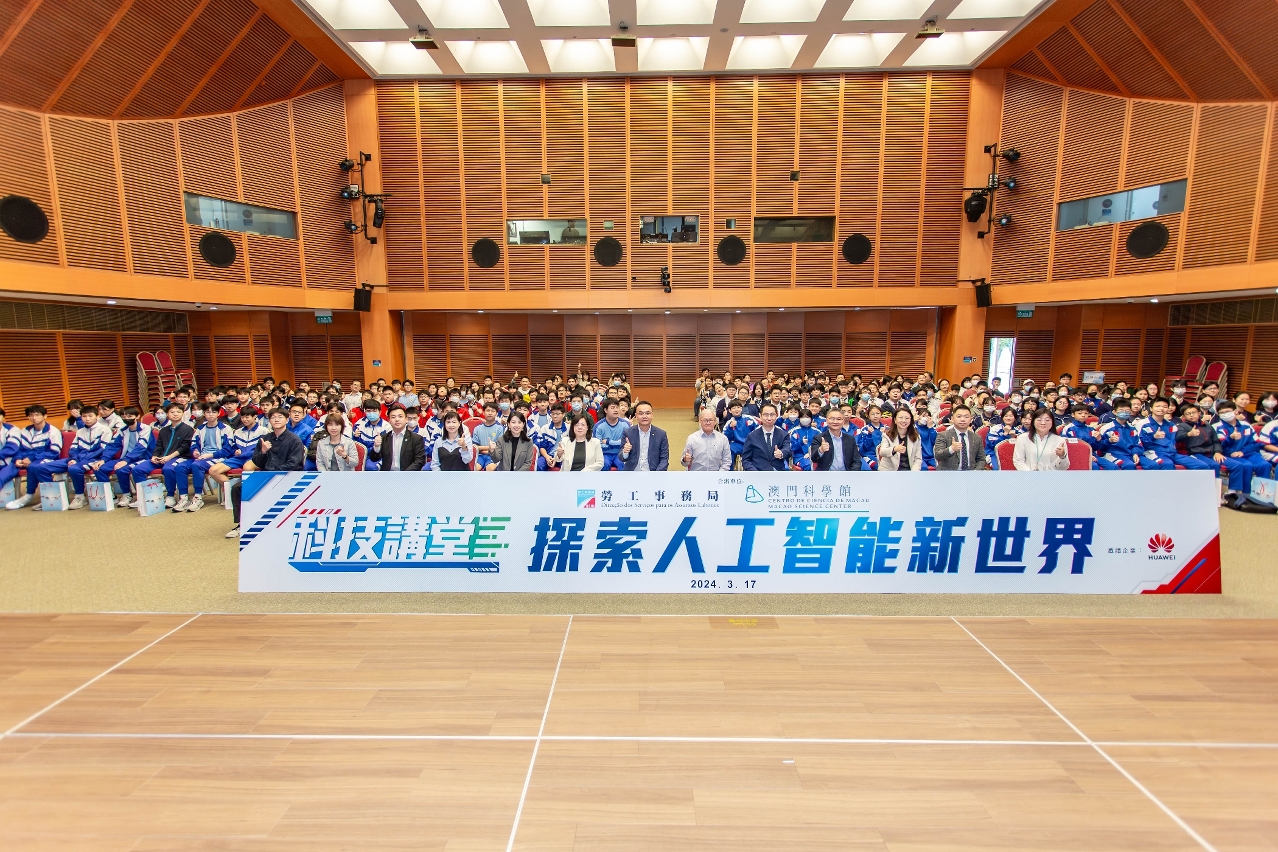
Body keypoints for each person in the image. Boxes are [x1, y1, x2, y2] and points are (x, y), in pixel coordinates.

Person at [226, 407, 306, 539]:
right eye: (273, 417)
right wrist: (263, 452)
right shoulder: (265, 439)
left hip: (287, 476)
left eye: (280, 417)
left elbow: (294, 464)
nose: (276, 420)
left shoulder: (294, 440)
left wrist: (273, 474)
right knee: (238, 488)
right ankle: (242, 524)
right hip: (266, 475)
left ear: (287, 420)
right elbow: (257, 462)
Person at [31, 403, 112, 510]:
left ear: (97, 416)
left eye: (90, 416)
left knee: (74, 468)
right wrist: (74, 458)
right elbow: (73, 449)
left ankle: (80, 497)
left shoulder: (105, 430)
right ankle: (51, 498)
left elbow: (101, 450)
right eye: (84, 416)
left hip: (94, 459)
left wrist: (78, 460)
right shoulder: (80, 431)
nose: (87, 419)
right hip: (77, 459)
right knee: (41, 468)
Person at [1213, 400, 1272, 497]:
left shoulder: (1246, 425)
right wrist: (1230, 438)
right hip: (1229, 455)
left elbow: (1256, 442)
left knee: (1264, 465)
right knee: (1246, 466)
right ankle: (1245, 494)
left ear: (1235, 411)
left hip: (1248, 453)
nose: (1225, 414)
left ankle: (1264, 495)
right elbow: (1220, 445)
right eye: (1222, 413)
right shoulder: (1217, 427)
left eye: (1227, 411)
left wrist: (1243, 451)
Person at [184, 405, 233, 512]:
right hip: (202, 457)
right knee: (181, 467)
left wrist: (210, 455)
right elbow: (194, 444)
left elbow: (228, 449)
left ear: (218, 413)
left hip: (219, 457)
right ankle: (183, 498)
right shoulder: (200, 428)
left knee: (196, 465)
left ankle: (198, 496)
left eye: (213, 412)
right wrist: (195, 451)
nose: (211, 415)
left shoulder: (225, 428)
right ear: (204, 413)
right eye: (208, 412)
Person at [371, 404, 426, 471]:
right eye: (393, 417)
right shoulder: (384, 438)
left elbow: (419, 461)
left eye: (400, 416)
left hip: (408, 475)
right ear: (389, 420)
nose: (397, 419)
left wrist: (404, 475)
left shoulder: (416, 438)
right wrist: (376, 447)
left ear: (406, 419)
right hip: (387, 475)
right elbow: (374, 459)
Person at [933, 404, 986, 471]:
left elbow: (981, 459)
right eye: (959, 416)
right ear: (952, 419)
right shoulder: (943, 435)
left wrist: (975, 472)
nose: (963, 419)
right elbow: (938, 456)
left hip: (971, 474)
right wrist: (951, 449)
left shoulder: (977, 438)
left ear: (971, 419)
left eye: (966, 417)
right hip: (948, 473)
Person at [740, 403, 792, 471]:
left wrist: (781, 453)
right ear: (760, 416)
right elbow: (746, 460)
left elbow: (788, 450)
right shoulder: (752, 436)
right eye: (766, 415)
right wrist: (754, 472)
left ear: (777, 415)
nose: (769, 418)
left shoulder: (783, 434)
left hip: (778, 472)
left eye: (772, 415)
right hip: (758, 472)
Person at [1174, 404, 1224, 473]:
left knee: (1232, 464)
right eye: (1188, 414)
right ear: (1184, 416)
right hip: (1193, 452)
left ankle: (1214, 480)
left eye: (1194, 412)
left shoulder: (1208, 426)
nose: (1191, 415)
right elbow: (1178, 438)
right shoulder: (1181, 426)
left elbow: (1215, 441)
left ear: (1199, 413)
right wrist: (1188, 434)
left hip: (1210, 452)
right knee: (1212, 464)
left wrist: (1217, 452)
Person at [620, 401, 669, 471]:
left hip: (652, 472)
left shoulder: (661, 434)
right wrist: (625, 452)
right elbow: (621, 458)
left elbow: (664, 459)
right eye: (641, 413)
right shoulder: (628, 432)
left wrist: (657, 474)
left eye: (647, 413)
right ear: (636, 415)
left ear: (652, 415)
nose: (644, 416)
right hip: (632, 472)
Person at [876, 407, 922, 471]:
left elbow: (918, 459)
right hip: (889, 471)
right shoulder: (887, 435)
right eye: (900, 418)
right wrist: (894, 449)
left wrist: (913, 473)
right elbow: (882, 452)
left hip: (909, 471)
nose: (904, 421)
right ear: (895, 420)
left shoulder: (916, 437)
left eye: (907, 418)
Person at [592, 399, 628, 471]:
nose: (616, 410)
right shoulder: (599, 426)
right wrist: (616, 444)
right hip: (604, 454)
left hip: (620, 453)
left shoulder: (625, 424)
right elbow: (598, 445)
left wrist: (608, 442)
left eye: (617, 407)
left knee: (622, 464)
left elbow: (625, 443)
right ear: (606, 410)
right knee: (604, 464)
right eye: (612, 408)